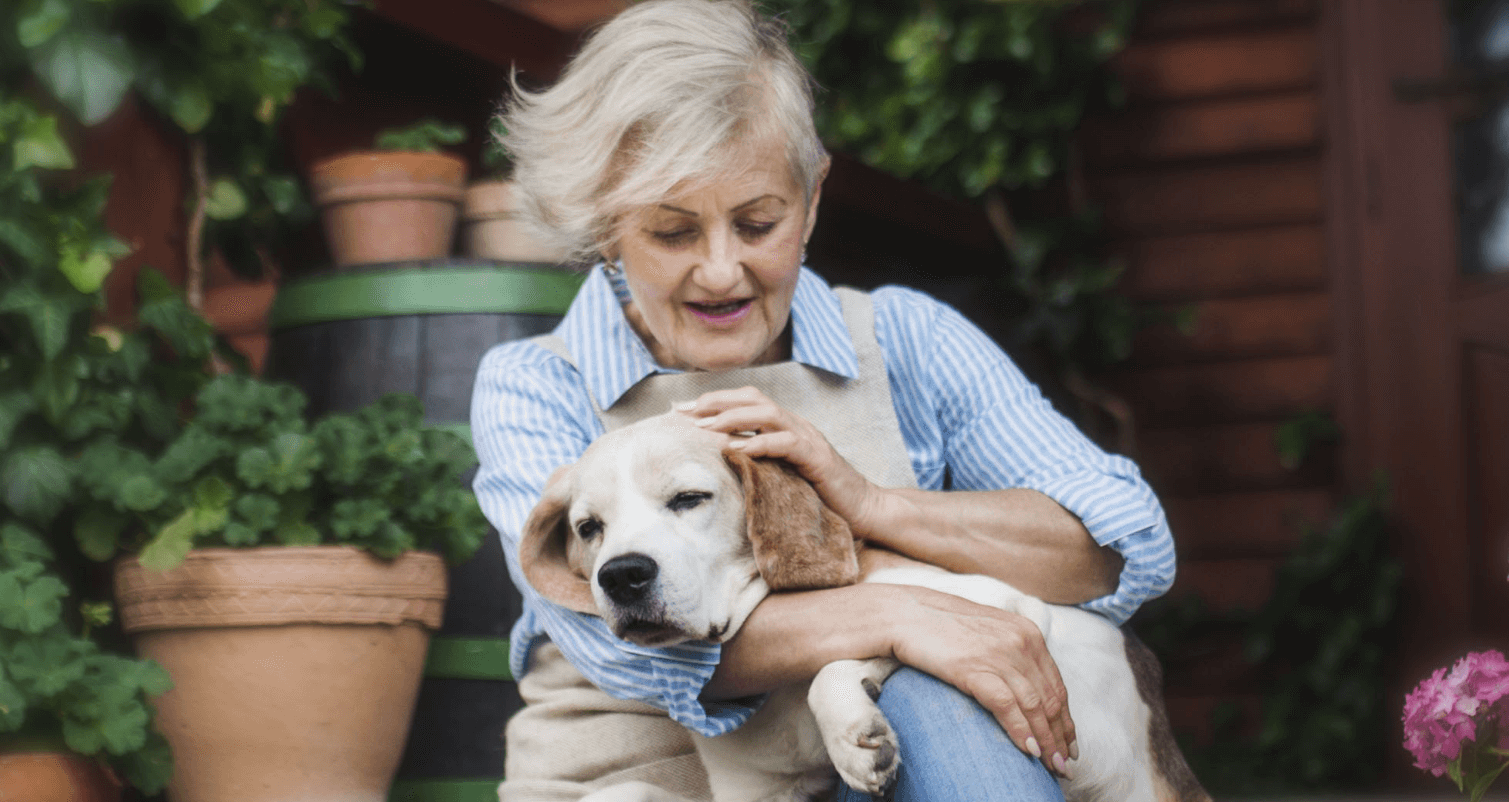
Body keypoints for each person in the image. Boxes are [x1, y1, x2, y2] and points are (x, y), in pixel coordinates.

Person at [468, 1, 1175, 799]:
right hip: (631, 781)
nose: (722, 271)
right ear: (606, 225)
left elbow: (1120, 545)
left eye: (757, 222)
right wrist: (902, 615)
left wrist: (875, 507)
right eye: (673, 232)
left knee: (939, 700)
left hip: (870, 767)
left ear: (810, 199)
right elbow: (614, 644)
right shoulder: (537, 384)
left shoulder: (904, 339)